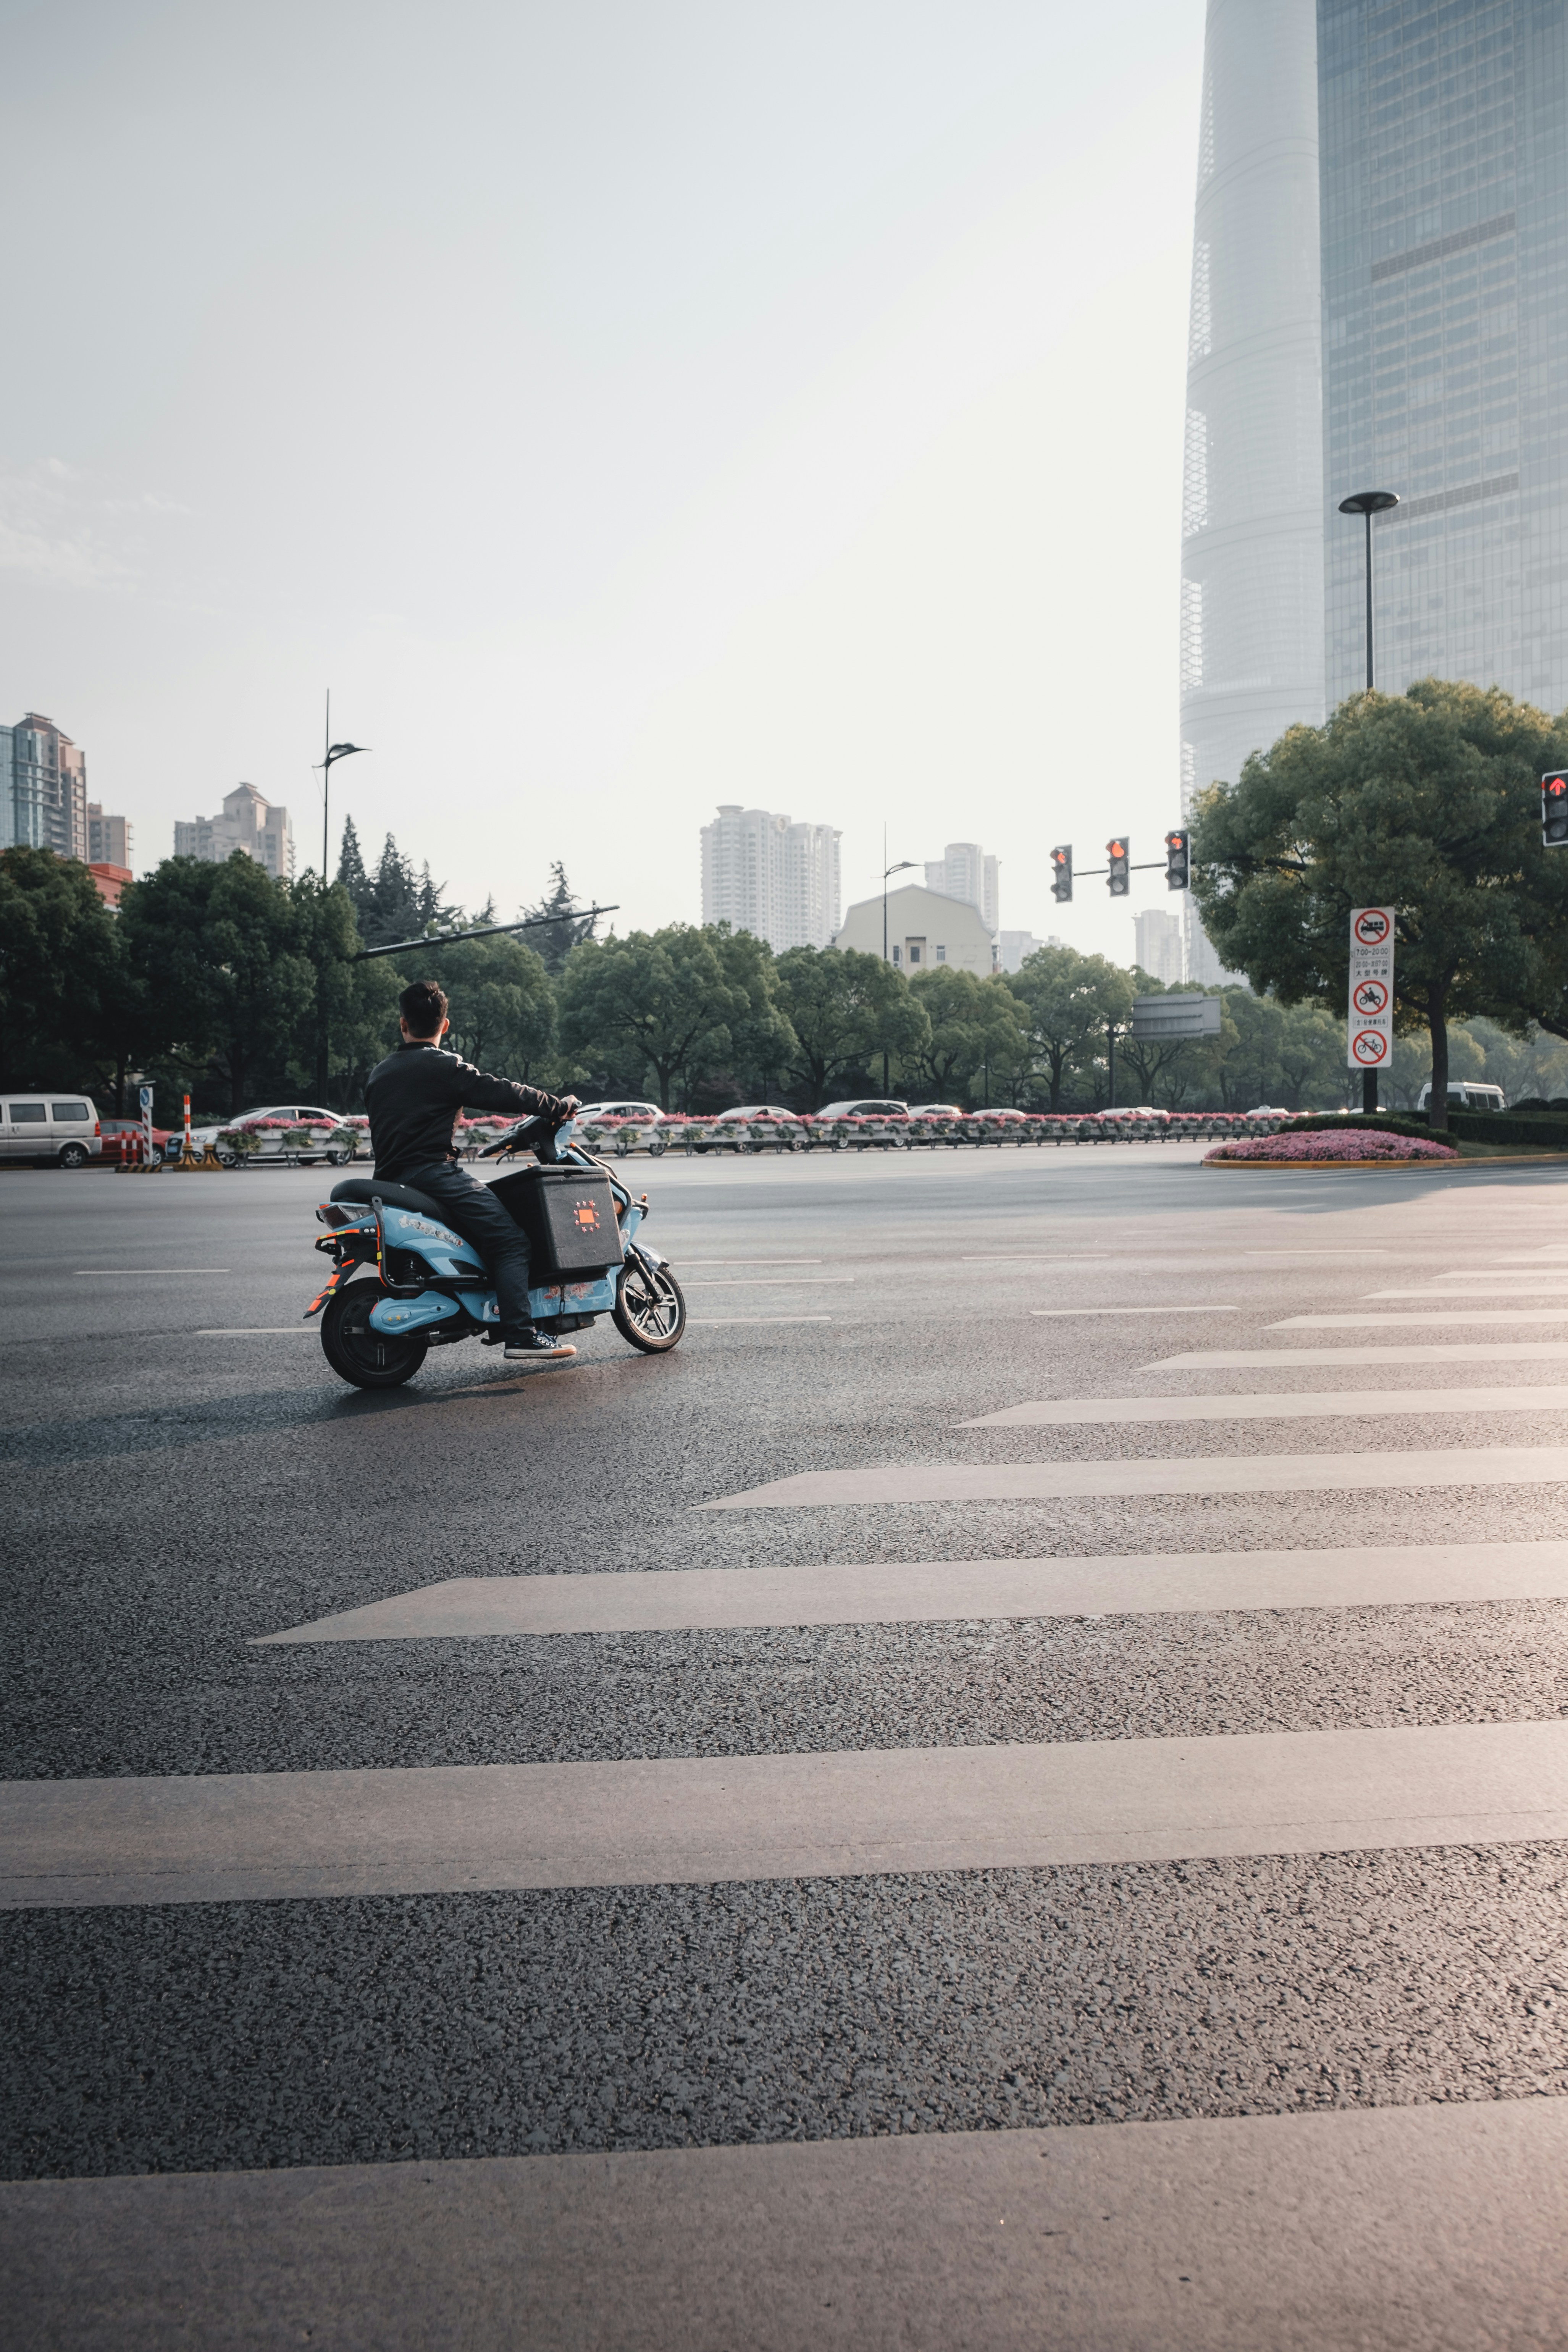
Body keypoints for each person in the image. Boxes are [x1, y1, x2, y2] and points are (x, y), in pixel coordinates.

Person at [364, 979, 581, 1360]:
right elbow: (503, 1091)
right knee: (511, 1241)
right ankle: (520, 1333)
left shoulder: (379, 1073)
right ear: (445, 1026)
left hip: (388, 1180)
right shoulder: (445, 1067)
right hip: (433, 1175)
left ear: (403, 1024)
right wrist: (555, 1106)